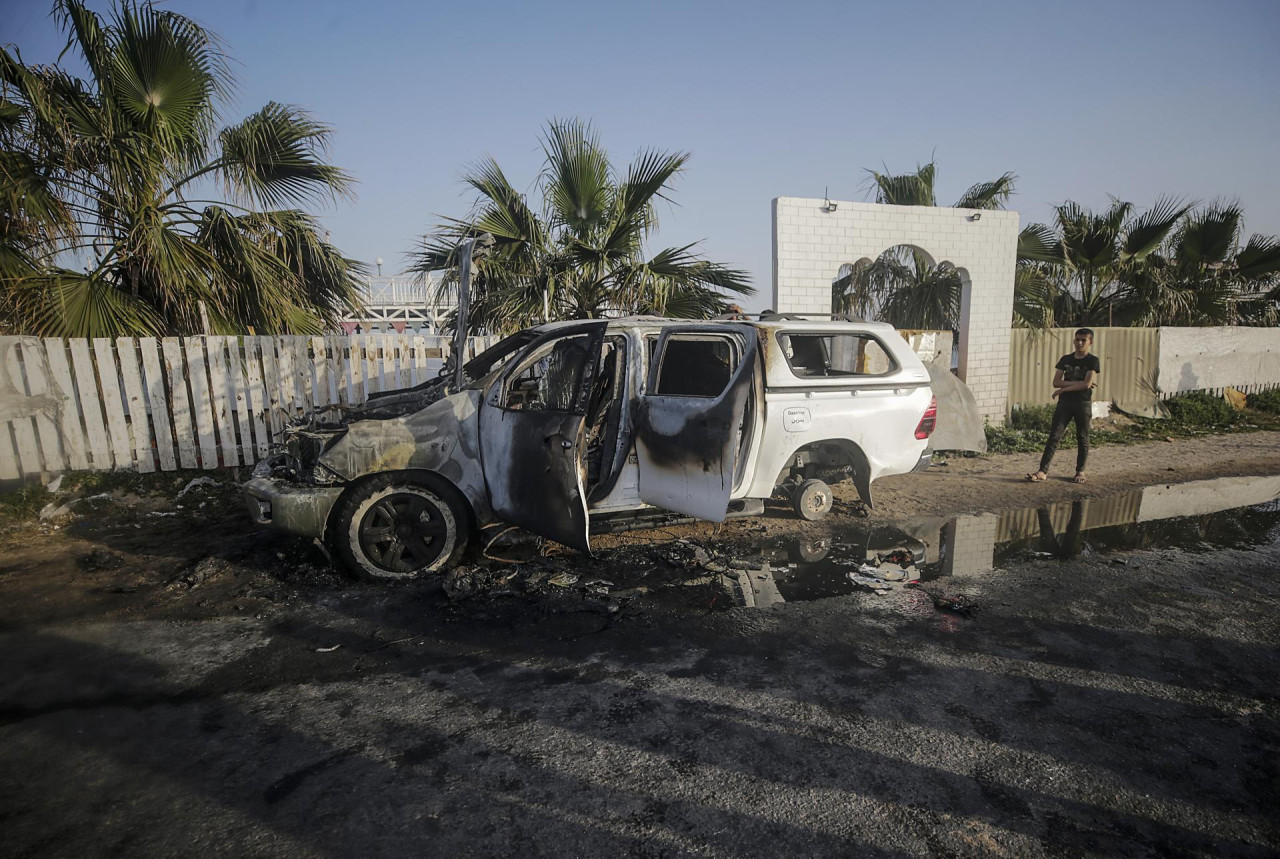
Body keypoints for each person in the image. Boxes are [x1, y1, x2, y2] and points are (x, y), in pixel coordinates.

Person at [1027, 328, 1100, 484]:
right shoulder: (1066, 359)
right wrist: (1071, 386)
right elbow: (1056, 382)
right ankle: (1042, 471)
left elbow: (1086, 385)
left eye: (1083, 340)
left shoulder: (1092, 361)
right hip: (1065, 403)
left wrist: (1063, 388)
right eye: (1077, 339)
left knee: (1082, 437)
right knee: (1054, 436)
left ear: (1090, 342)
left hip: (1082, 403)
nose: (1079, 343)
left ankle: (1080, 471)